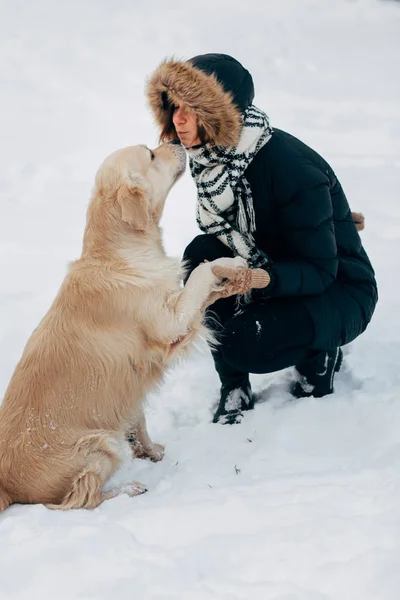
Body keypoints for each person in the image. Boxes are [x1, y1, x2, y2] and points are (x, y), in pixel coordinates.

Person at [146, 53, 377, 425]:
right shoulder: (215, 160)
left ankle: (320, 355)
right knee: (199, 257)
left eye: (193, 108)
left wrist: (259, 279)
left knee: (246, 342)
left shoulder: (290, 167)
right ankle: (234, 385)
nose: (179, 119)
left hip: (338, 287)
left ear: (222, 114)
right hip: (278, 261)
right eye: (175, 107)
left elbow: (320, 269)